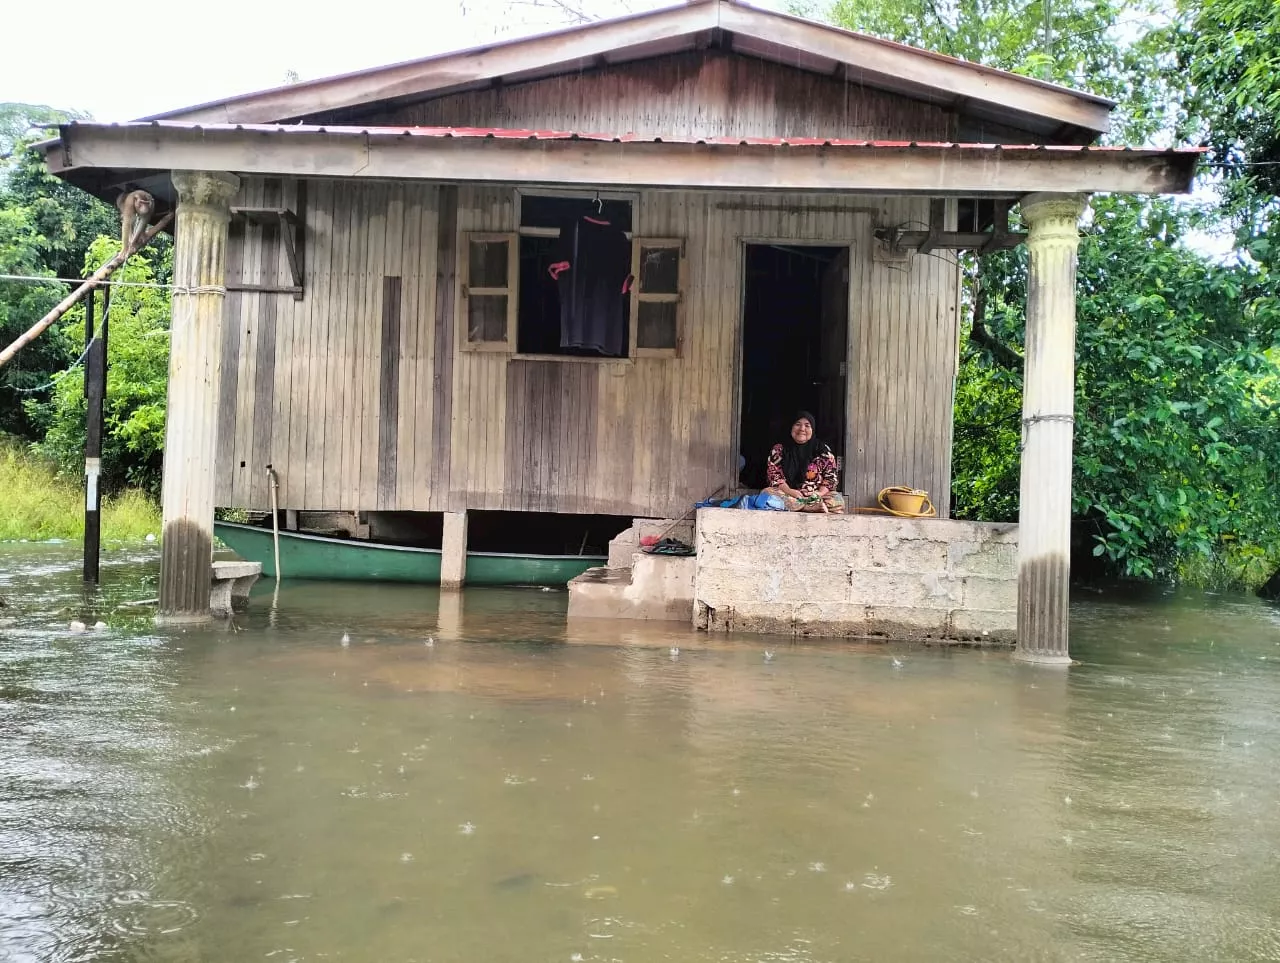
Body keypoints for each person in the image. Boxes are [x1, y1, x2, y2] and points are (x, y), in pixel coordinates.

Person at [764, 411, 845, 513]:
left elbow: (830, 479)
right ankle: (807, 508)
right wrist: (790, 491)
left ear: (813, 429)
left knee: (838, 499)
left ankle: (808, 506)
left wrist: (818, 494)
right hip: (789, 494)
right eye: (798, 424)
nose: (802, 429)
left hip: (815, 496)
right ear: (791, 427)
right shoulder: (779, 450)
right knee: (767, 493)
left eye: (807, 425)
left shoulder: (822, 450)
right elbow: (774, 476)